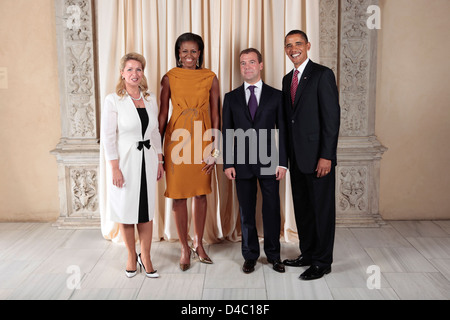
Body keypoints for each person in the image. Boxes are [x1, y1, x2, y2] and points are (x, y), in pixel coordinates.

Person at [158, 33, 220, 271]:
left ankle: (198, 243)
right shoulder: (169, 78)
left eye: (194, 51)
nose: (189, 56)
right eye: (184, 51)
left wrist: (215, 150)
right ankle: (184, 247)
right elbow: (163, 114)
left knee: (201, 193)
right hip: (176, 142)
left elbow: (216, 115)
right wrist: (158, 152)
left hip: (203, 140)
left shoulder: (210, 77)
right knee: (179, 194)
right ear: (178, 53)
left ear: (200, 53)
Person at [282, 30, 341, 280]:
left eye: (297, 44)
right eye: (288, 45)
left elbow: (332, 119)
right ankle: (307, 253)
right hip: (297, 158)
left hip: (319, 159)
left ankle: (322, 261)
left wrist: (326, 156)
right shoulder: (287, 79)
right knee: (304, 209)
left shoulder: (322, 74)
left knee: (321, 211)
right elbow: (290, 120)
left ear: (308, 45)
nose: (293, 48)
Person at [222, 48, 287, 274]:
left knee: (271, 210)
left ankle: (274, 255)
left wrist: (282, 162)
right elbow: (227, 132)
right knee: (246, 212)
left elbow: (284, 132)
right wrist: (228, 163)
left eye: (251, 62)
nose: (247, 66)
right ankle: (249, 255)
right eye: (242, 63)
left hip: (270, 162)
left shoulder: (276, 96)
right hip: (240, 164)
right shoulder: (230, 98)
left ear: (260, 65)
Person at [101, 53, 164, 278]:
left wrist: (159, 159)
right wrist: (114, 168)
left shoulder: (150, 98)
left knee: (145, 211)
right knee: (127, 210)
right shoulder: (113, 100)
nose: (134, 74)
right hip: (125, 162)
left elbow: (155, 132)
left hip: (146, 160)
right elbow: (108, 137)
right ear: (122, 73)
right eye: (129, 69)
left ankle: (145, 256)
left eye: (138, 69)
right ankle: (130, 255)